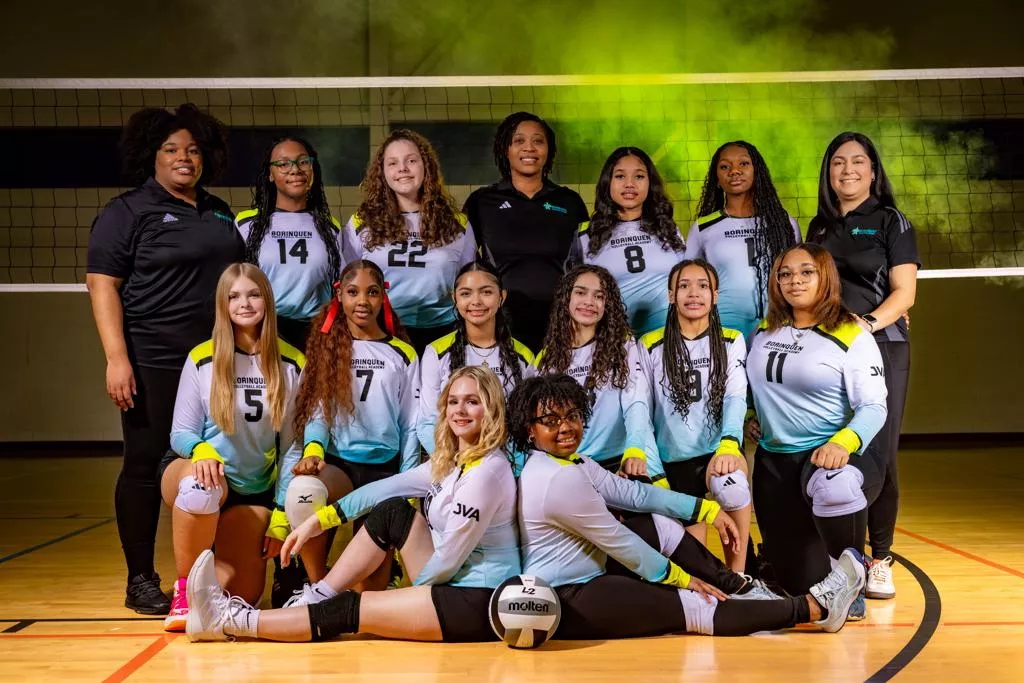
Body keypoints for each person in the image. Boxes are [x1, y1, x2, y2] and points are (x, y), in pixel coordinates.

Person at [512, 374, 866, 638]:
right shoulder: (559, 479)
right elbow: (620, 542)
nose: (565, 427)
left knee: (659, 525)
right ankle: (816, 608)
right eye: (550, 421)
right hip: (571, 597)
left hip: (591, 572)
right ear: (530, 430)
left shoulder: (571, 462)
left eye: (572, 416)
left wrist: (706, 510)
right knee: (699, 604)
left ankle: (742, 589)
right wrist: (684, 580)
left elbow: (635, 495)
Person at [183, 366, 520, 643]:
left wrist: (395, 602)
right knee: (392, 511)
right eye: (453, 401)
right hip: (451, 581)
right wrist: (316, 521)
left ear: (490, 410)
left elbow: (447, 562)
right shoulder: (451, 462)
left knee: (350, 609)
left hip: (475, 599)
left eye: (472, 402)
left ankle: (229, 621)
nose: (459, 410)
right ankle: (318, 594)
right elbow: (379, 491)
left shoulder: (487, 473)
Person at [86, 103, 244, 614]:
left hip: (214, 363)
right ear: (151, 155)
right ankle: (140, 579)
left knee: (217, 462)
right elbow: (101, 285)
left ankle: (211, 576)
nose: (184, 158)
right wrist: (117, 358)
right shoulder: (128, 211)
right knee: (144, 463)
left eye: (193, 150)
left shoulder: (219, 210)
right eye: (171, 149)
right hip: (152, 359)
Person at [159, 264, 303, 631]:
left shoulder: (291, 361)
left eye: (254, 295)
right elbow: (181, 432)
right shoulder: (202, 357)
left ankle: (208, 582)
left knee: (243, 596)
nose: (244, 303)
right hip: (200, 469)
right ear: (222, 305)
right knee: (199, 487)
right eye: (234, 296)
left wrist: (281, 513)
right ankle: (183, 592)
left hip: (252, 488)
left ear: (267, 300)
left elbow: (293, 446)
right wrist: (202, 451)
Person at [746, 244, 886, 619]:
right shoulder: (762, 330)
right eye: (786, 274)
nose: (795, 281)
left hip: (834, 456)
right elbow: (751, 386)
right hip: (775, 462)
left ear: (825, 277)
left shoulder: (851, 333)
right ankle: (838, 571)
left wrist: (843, 443)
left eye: (806, 272)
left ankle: (851, 582)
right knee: (798, 584)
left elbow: (874, 407)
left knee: (834, 482)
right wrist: (749, 414)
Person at [807, 132, 919, 601]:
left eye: (857, 161)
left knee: (880, 452)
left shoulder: (891, 220)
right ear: (828, 172)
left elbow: (905, 293)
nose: (847, 170)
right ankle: (840, 557)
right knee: (832, 448)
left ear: (873, 171)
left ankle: (882, 559)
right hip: (826, 352)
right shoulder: (818, 227)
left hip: (881, 347)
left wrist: (866, 324)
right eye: (838, 162)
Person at [280, 260, 420, 586]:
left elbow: (411, 422)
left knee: (372, 591)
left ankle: (370, 581)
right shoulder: (327, 349)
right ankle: (317, 587)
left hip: (385, 470)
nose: (362, 301)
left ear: (383, 297)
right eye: (353, 292)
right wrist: (314, 451)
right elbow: (317, 411)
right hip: (339, 465)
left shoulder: (404, 354)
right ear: (339, 295)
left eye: (372, 292)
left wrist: (407, 480)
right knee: (303, 491)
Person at [638, 259, 752, 571]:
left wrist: (729, 444)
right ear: (670, 295)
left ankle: (739, 577)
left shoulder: (731, 339)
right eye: (684, 286)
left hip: (717, 454)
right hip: (674, 462)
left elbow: (735, 396)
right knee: (695, 567)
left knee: (733, 488)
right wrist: (655, 473)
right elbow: (641, 414)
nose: (693, 293)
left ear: (715, 296)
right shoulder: (649, 345)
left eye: (703, 286)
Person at [341, 129, 476, 353]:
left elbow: (469, 282)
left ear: (426, 166)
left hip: (444, 331)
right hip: (381, 329)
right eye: (392, 163)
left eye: (411, 161)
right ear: (382, 172)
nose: (402, 168)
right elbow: (347, 282)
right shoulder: (361, 223)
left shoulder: (457, 224)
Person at [463, 111, 589, 352]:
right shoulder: (482, 202)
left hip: (559, 323)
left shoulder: (569, 201)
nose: (529, 148)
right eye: (519, 140)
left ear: (549, 150)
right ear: (506, 149)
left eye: (538, 141)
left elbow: (584, 265)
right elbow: (466, 264)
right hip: (500, 322)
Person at [534, 264, 664, 484]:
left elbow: (636, 402)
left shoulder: (623, 346)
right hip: (572, 463)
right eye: (581, 292)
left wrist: (634, 449)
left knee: (658, 505)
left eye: (599, 296)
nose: (589, 302)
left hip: (620, 459)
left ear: (607, 304)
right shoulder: (546, 360)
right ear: (566, 298)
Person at [685, 141, 800, 344]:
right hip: (723, 328)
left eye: (744, 164)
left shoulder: (783, 222)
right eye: (725, 166)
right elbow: (687, 281)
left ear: (757, 172)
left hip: (778, 324)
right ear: (716, 179)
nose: (734, 171)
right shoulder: (703, 227)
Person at [237, 136, 344, 351]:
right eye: (283, 164)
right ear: (270, 174)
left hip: (315, 334)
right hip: (262, 330)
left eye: (303, 161)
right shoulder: (246, 224)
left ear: (312, 169)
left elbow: (341, 284)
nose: (295, 170)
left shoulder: (329, 227)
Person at [417, 261, 535, 454]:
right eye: (466, 293)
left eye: (486, 292)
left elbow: (528, 420)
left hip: (508, 460)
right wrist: (455, 461)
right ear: (454, 298)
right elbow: (427, 422)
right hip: (454, 459)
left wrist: (511, 462)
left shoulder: (523, 355)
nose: (476, 301)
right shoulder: (436, 352)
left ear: (502, 297)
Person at [578, 147, 687, 336]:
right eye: (620, 176)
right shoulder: (586, 234)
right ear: (607, 182)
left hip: (669, 338)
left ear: (650, 183)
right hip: (613, 341)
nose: (630, 184)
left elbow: (686, 282)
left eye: (639, 176)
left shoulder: (668, 228)